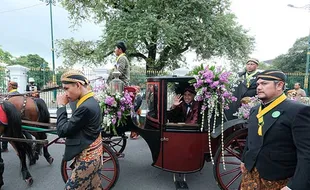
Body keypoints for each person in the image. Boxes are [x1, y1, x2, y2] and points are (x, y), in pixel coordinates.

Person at [240, 70, 310, 190]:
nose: (259, 87)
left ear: (279, 85)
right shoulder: (255, 110)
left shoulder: (298, 111)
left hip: (279, 179)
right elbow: (251, 137)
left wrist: (295, 185)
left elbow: (306, 152)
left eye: (264, 83)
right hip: (250, 175)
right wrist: (244, 159)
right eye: (258, 84)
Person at [56, 70, 103, 189]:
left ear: (78, 85)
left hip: (87, 160)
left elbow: (62, 131)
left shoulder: (85, 107)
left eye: (66, 88)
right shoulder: (90, 101)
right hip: (95, 155)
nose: (65, 93)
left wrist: (61, 106)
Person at [1, 81, 20, 152]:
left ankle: (4, 147)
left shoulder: (9, 96)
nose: (7, 88)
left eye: (8, 86)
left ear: (11, 86)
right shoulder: (18, 94)